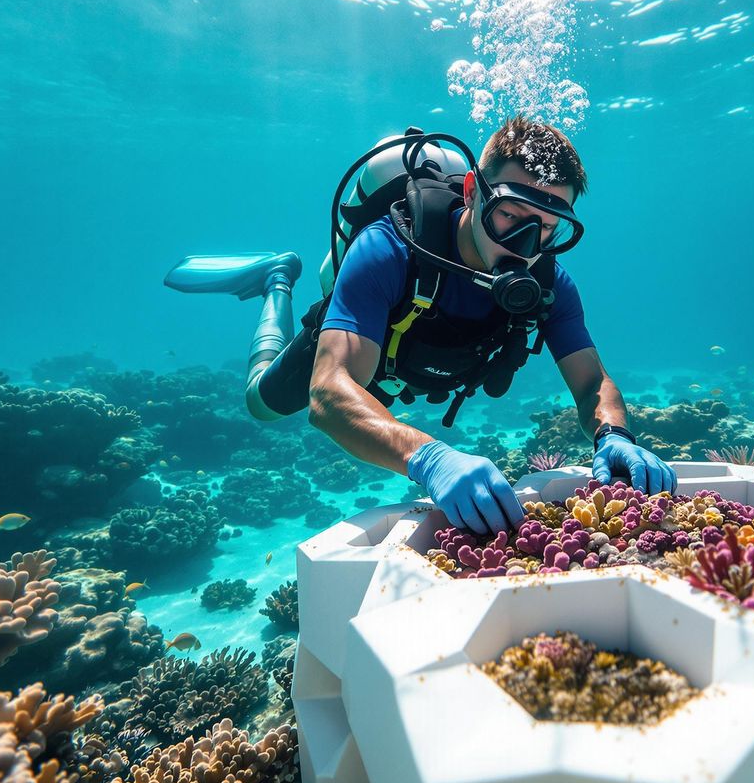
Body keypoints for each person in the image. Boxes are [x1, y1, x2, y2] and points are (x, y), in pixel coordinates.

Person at [166, 116, 676, 534]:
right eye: (510, 216)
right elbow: (328, 393)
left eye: (546, 228)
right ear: (474, 190)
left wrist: (615, 436)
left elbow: (592, 382)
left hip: (407, 369)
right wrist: (429, 458)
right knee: (260, 404)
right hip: (366, 342)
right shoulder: (389, 249)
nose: (525, 245)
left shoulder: (549, 284)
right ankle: (276, 282)